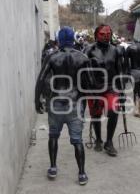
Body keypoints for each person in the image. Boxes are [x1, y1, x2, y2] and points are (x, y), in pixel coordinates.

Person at [35, 27, 91, 185]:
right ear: (73, 39)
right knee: (77, 140)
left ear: (59, 40)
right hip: (74, 103)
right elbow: (89, 84)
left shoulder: (52, 57)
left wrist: (37, 101)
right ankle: (81, 174)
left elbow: (41, 79)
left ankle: (53, 167)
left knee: (53, 136)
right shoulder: (82, 57)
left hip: (56, 103)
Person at [84, 24, 122, 156]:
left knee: (113, 111)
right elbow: (83, 71)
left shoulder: (116, 50)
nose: (106, 37)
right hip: (94, 88)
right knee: (95, 114)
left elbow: (119, 72)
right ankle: (98, 139)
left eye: (108, 34)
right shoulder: (88, 50)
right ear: (96, 35)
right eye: (102, 34)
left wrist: (121, 92)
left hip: (111, 87)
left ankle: (109, 141)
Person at [125, 39, 140, 117]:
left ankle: (137, 109)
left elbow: (126, 62)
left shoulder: (130, 47)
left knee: (136, 90)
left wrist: (127, 73)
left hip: (134, 71)